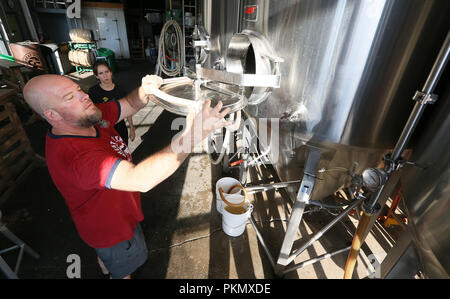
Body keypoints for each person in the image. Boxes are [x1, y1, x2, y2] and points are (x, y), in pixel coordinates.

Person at [23, 74, 231, 279]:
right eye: (69, 97)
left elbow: (129, 103)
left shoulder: (85, 117)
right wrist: (196, 133)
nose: (84, 96)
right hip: (111, 231)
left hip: (115, 215)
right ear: (52, 115)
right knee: (124, 269)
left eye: (78, 89)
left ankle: (106, 267)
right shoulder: (76, 158)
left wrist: (145, 90)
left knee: (109, 260)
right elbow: (141, 179)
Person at [88, 61, 135, 145]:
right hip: (104, 130)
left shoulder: (120, 90)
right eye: (101, 73)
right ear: (97, 76)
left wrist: (131, 128)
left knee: (123, 151)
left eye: (107, 72)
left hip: (121, 129)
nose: (105, 75)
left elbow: (128, 110)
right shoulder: (93, 92)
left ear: (111, 72)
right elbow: (91, 114)